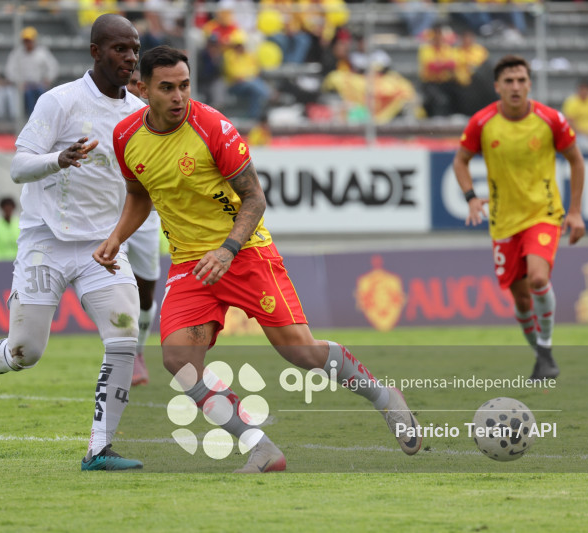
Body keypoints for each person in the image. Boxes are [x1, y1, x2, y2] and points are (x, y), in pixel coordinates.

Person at [94, 46, 422, 473]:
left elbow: (255, 197)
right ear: (141, 89)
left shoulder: (212, 127)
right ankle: (261, 447)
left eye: (185, 86)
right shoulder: (125, 137)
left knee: (300, 353)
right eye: (167, 88)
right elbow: (140, 194)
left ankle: (385, 398)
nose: (179, 97)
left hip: (245, 252)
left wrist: (228, 249)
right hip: (191, 264)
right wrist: (117, 237)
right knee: (179, 362)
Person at [0, 14, 147, 471]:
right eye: (120, 48)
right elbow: (18, 166)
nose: (131, 57)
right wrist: (58, 159)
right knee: (27, 351)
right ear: (96, 52)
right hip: (47, 238)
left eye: (135, 49)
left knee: (123, 337)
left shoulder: (139, 115)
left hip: (102, 246)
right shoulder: (58, 101)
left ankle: (99, 449)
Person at [452, 55, 586, 381]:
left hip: (543, 213)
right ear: (497, 87)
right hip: (503, 222)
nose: (516, 87)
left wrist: (576, 212)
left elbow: (576, 162)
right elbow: (460, 161)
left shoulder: (550, 119)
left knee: (538, 279)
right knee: (521, 299)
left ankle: (546, 351)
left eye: (521, 80)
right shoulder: (482, 123)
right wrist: (471, 198)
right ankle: (541, 355)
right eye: (509, 81)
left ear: (529, 84)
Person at [124, 68, 162, 386]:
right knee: (115, 288)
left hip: (146, 215)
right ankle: (121, 356)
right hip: (108, 214)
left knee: (146, 294)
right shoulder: (106, 118)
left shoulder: (152, 119)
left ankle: (137, 350)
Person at [5, 26, 59, 116]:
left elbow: (54, 67)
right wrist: (18, 82)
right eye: (25, 41)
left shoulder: (42, 52)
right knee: (29, 95)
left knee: (43, 96)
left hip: (39, 84)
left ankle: (42, 116)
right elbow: (9, 70)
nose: (27, 43)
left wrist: (48, 79)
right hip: (24, 86)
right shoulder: (17, 53)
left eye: (29, 40)